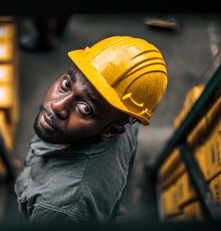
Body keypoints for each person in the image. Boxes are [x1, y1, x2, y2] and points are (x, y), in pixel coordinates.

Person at [14, 36, 168, 223]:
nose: (57, 106)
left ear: (111, 131)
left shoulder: (60, 209)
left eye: (85, 108)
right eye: (66, 85)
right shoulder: (123, 118)